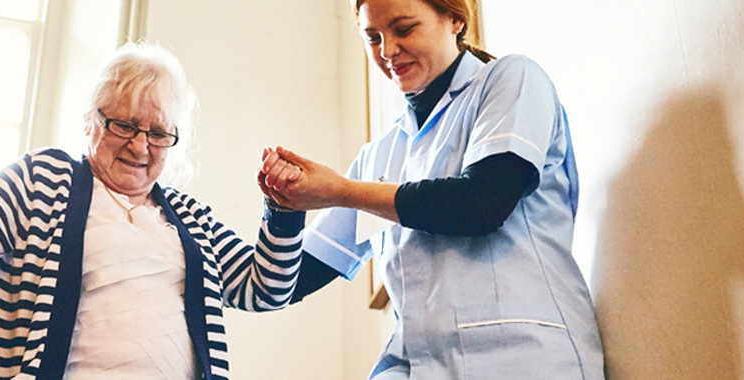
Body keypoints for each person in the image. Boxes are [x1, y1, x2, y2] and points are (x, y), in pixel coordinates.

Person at [0, 42, 308, 380]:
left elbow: (265, 288)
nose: (140, 146)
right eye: (125, 125)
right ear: (91, 121)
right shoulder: (47, 177)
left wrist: (284, 210)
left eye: (158, 133)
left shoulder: (191, 217)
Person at [257, 0, 605, 378]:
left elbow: (482, 204)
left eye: (404, 29)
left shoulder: (512, 79)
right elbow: (289, 281)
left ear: (455, 18)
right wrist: (285, 205)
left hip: (521, 358)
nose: (387, 51)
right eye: (372, 38)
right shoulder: (379, 155)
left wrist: (340, 191)